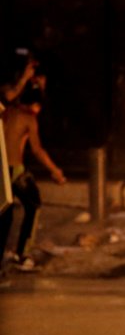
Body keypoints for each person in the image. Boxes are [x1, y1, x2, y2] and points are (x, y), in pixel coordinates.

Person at [0, 77, 67, 273]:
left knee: (5, 213)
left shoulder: (6, 112)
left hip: (1, 170)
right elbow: (37, 150)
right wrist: (55, 171)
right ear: (35, 104)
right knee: (33, 204)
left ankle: (5, 254)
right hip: (14, 171)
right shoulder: (29, 117)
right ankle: (23, 254)